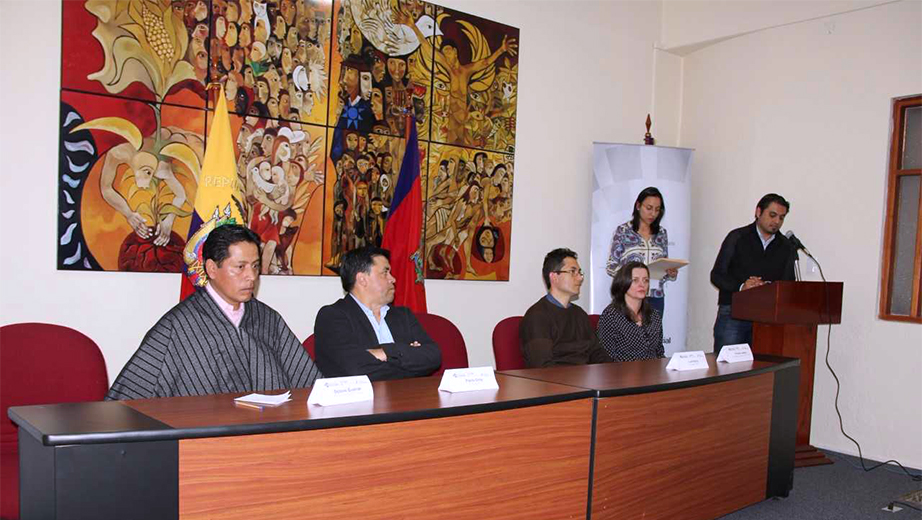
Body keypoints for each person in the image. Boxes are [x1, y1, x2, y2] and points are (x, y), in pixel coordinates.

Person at [106, 225, 321, 400]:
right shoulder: (178, 326)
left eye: (255, 266)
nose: (251, 277)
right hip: (203, 444)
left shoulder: (268, 318)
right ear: (211, 269)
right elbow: (129, 400)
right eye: (240, 267)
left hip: (269, 439)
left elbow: (310, 387)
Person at [314, 246, 441, 381]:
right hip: (361, 401)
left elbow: (434, 357)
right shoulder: (332, 317)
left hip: (408, 398)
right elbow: (354, 370)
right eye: (385, 273)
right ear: (362, 279)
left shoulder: (403, 315)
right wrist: (408, 354)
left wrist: (386, 352)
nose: (393, 279)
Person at [711, 193, 796, 354]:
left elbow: (788, 284)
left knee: (760, 372)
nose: (777, 221)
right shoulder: (737, 237)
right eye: (772, 215)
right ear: (758, 212)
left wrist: (767, 287)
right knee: (726, 370)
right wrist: (742, 286)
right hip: (733, 313)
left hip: (767, 318)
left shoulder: (786, 246)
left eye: (781, 217)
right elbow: (717, 275)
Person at [519, 248, 612, 367]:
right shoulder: (537, 316)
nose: (580, 278)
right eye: (572, 272)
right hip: (556, 382)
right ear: (554, 277)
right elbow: (542, 366)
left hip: (585, 380)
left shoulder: (579, 314)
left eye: (580, 272)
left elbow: (597, 353)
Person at [606, 187, 677, 315]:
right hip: (629, 295)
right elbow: (611, 266)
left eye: (657, 210)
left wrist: (670, 273)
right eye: (649, 208)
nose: (653, 214)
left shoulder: (662, 233)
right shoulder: (623, 231)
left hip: (655, 296)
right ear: (638, 206)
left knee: (653, 334)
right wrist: (631, 279)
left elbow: (663, 266)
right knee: (628, 334)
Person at [597, 261, 664, 362]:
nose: (642, 285)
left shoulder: (654, 315)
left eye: (646, 280)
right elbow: (605, 358)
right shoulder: (611, 315)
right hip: (621, 374)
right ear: (624, 283)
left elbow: (659, 353)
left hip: (653, 374)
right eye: (635, 280)